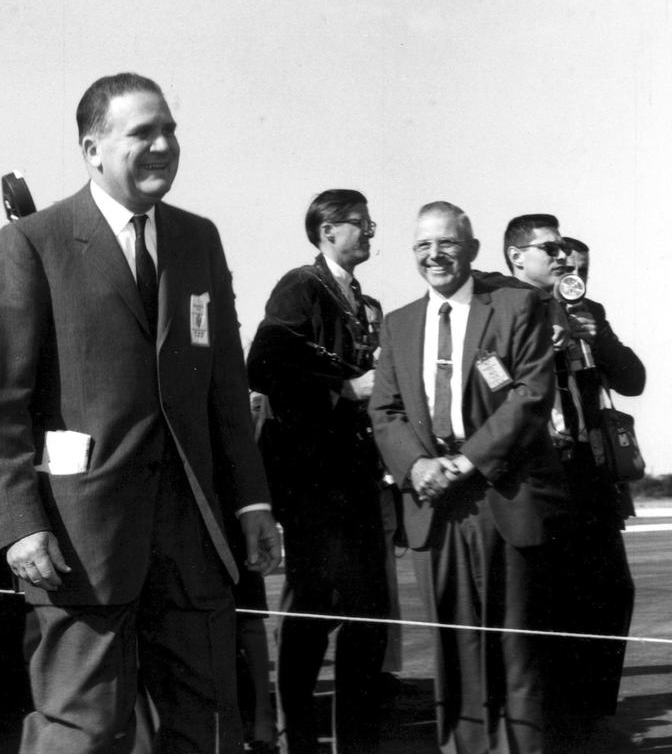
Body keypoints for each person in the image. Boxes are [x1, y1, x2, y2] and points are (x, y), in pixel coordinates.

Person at [0, 72, 279, 754]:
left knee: (212, 731)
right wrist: (21, 525)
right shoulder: (35, 243)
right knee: (82, 733)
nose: (164, 145)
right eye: (143, 132)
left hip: (194, 539)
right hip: (82, 542)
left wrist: (253, 503)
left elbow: (225, 387)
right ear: (93, 149)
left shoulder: (199, 240)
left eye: (170, 129)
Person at [370, 202, 567, 754]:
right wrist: (417, 465)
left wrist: (466, 461)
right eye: (423, 246)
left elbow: (530, 394)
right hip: (434, 504)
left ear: (472, 249)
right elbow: (384, 410)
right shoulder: (400, 322)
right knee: (454, 653)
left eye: (447, 243)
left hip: (499, 493)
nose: (435, 255)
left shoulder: (515, 305)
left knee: (515, 649)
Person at [245, 189, 389, 754]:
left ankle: (356, 737)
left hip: (355, 475)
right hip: (311, 478)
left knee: (367, 609)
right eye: (362, 224)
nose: (371, 232)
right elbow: (264, 363)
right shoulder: (302, 286)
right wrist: (342, 387)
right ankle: (298, 737)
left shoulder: (367, 304)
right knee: (314, 603)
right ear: (328, 230)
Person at [504, 222, 646, 727]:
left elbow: (634, 379)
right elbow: (493, 380)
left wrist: (595, 335)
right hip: (539, 473)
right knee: (551, 597)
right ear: (516, 258)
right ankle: (552, 710)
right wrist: (547, 343)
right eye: (553, 251)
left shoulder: (589, 312)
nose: (566, 262)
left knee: (613, 590)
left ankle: (597, 709)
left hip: (591, 473)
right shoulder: (500, 307)